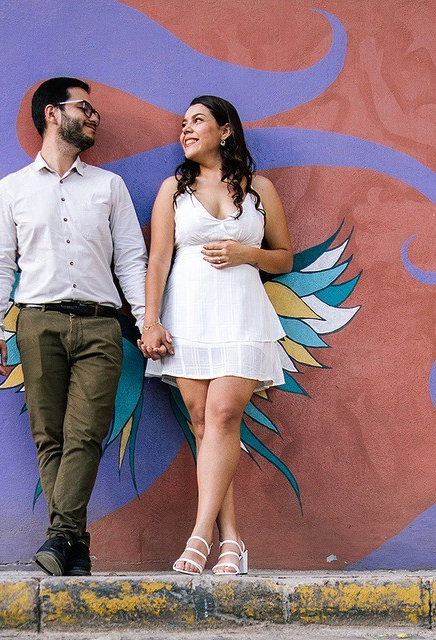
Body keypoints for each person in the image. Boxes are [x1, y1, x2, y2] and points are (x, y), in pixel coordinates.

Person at [0, 77, 149, 578]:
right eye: (85, 108)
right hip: (36, 322)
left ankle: (58, 536)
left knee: (86, 433)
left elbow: (132, 261)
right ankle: (75, 545)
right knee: (48, 437)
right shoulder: (11, 190)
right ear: (53, 114)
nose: (94, 117)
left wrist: (144, 322)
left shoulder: (108, 187)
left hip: (100, 327)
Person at [138, 95, 293, 576]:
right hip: (188, 315)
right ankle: (233, 542)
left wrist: (248, 254)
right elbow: (159, 258)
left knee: (225, 413)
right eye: (182, 123)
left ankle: (199, 535)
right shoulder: (172, 190)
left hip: (243, 313)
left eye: (197, 121)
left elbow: (285, 256)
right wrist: (151, 319)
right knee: (205, 424)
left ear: (225, 131)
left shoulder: (260, 187)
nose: (185, 130)